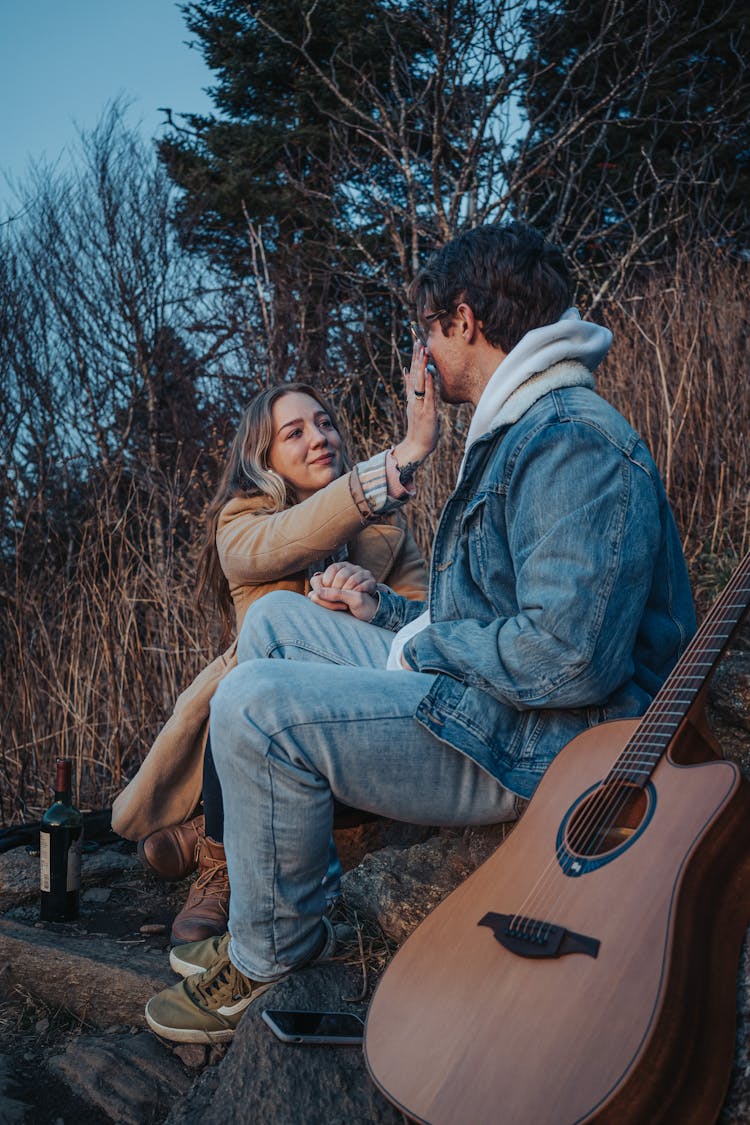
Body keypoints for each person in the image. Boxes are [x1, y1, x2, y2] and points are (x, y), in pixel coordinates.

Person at [144, 220, 696, 1044]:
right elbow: (495, 614)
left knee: (254, 701)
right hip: (500, 699)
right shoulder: (525, 424)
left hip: (544, 742)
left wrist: (424, 645)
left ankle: (270, 957)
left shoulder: (571, 441)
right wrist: (390, 616)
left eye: (427, 330)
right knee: (281, 624)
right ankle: (280, 887)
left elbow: (567, 659)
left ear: (464, 321)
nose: (423, 351)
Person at [111, 380, 430, 942]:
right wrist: (384, 474)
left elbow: (429, 627)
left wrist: (374, 605)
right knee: (254, 680)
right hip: (255, 715)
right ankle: (219, 864)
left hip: (350, 714)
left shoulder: (388, 533)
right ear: (264, 458)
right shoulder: (242, 521)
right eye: (295, 432)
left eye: (326, 423)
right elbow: (296, 535)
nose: (320, 438)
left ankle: (205, 830)